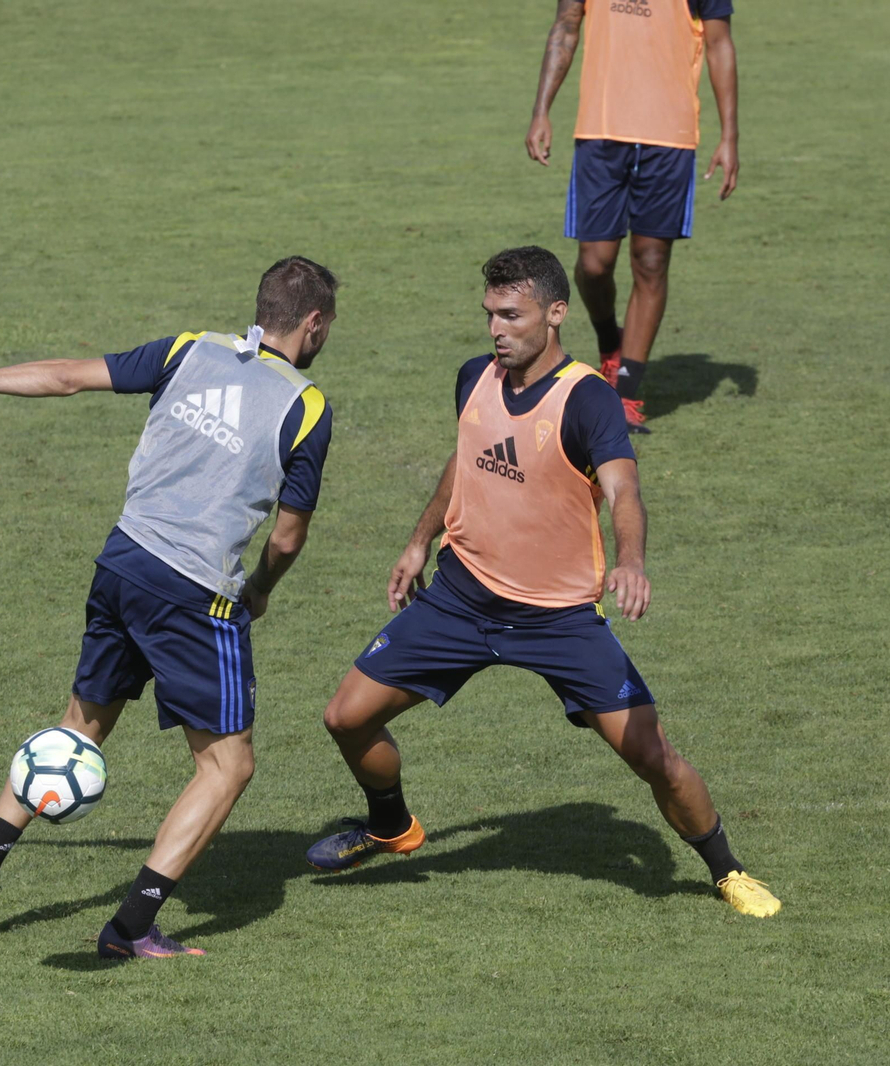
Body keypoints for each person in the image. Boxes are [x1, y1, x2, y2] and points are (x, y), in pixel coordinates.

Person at [304, 247, 778, 918]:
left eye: (512, 315)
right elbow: (468, 456)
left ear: (555, 314)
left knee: (653, 756)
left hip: (557, 619)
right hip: (461, 600)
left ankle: (727, 870)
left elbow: (624, 491)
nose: (497, 329)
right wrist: (420, 540)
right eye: (489, 315)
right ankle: (391, 826)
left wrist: (631, 560)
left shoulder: (586, 400)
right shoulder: (475, 377)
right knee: (344, 718)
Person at [0, 257, 339, 959]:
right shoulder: (307, 405)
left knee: (81, 727)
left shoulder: (190, 349)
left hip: (123, 560)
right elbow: (288, 537)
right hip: (195, 591)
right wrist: (259, 588)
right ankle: (130, 927)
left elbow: (70, 375)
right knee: (228, 767)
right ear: (313, 323)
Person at [524, 0, 739, 434]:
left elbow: (719, 44)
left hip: (671, 137)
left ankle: (626, 393)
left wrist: (729, 135)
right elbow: (566, 26)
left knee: (651, 261)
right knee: (593, 263)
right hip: (600, 134)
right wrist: (541, 109)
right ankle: (611, 342)